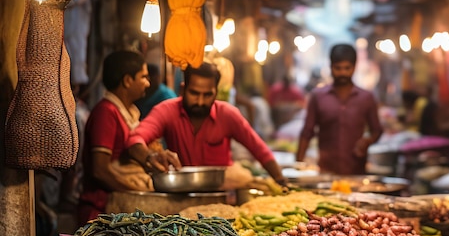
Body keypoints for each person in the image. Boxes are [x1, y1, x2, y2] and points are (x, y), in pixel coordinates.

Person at [125, 63, 288, 188]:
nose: (201, 101)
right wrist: (149, 156)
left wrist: (281, 182)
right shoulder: (166, 110)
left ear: (216, 93)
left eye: (207, 95)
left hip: (222, 194)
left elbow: (260, 150)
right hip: (181, 191)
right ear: (183, 90)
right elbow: (135, 140)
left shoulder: (228, 114)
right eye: (194, 93)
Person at [78, 50, 152, 225]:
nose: (147, 83)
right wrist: (137, 193)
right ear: (127, 80)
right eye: (143, 77)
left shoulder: (129, 113)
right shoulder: (106, 113)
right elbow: (100, 170)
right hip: (101, 214)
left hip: (117, 211)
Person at [295, 43, 383, 175]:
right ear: (330, 67)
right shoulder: (318, 96)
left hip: (356, 171)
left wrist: (367, 141)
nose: (343, 72)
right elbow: (307, 132)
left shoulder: (366, 98)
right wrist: (298, 165)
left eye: (347, 68)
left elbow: (376, 130)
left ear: (354, 67)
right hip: (325, 172)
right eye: (338, 68)